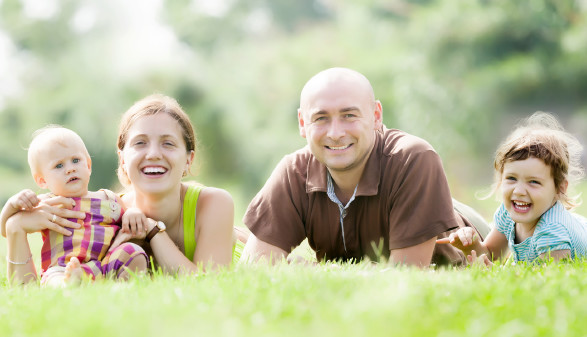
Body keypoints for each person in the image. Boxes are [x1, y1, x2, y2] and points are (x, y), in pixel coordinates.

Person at [241, 67, 490, 266]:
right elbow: (254, 265)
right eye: (321, 118)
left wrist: (314, 274)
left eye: (349, 115)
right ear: (302, 122)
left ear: (376, 115)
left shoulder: (413, 157)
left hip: (464, 231)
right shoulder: (294, 170)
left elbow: (407, 275)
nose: (336, 133)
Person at [1, 126, 148, 286]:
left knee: (133, 252)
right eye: (59, 166)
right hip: (63, 268)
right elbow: (8, 230)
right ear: (42, 180)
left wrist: (132, 213)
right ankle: (69, 284)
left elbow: (125, 219)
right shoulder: (48, 203)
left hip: (104, 265)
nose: (70, 169)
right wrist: (11, 205)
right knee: (53, 279)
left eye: (76, 160)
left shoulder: (108, 199)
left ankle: (124, 287)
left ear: (88, 166)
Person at [437, 112, 587, 266]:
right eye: (511, 179)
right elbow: (491, 254)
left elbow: (548, 282)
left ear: (559, 188)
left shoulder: (553, 233)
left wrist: (497, 279)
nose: (519, 191)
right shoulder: (508, 215)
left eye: (534, 182)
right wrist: (471, 246)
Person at [110, 93, 234, 273]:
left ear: (188, 160)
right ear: (122, 159)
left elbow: (209, 285)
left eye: (168, 143)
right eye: (140, 142)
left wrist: (152, 231)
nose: (153, 154)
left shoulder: (215, 203)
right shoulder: (108, 210)